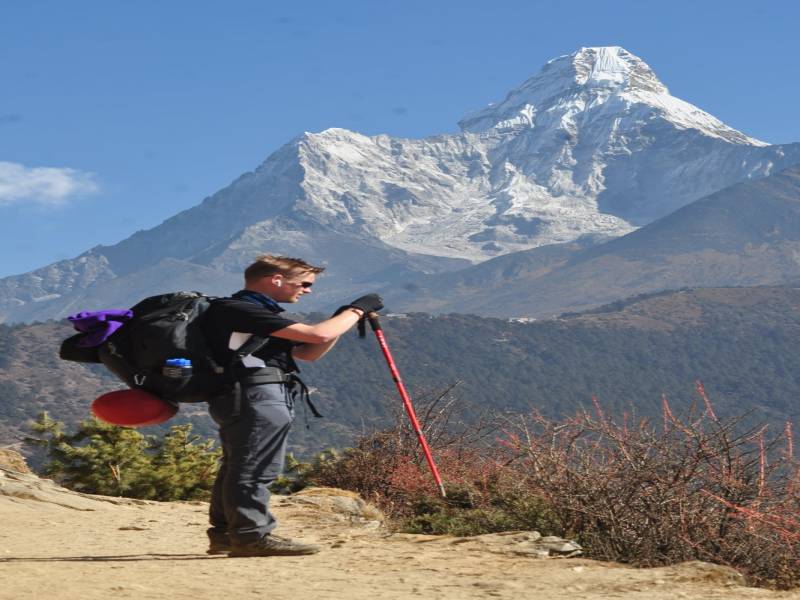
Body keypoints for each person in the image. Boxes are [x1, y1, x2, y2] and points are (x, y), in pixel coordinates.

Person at [201, 254, 383, 557]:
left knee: (239, 463)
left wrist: (341, 319)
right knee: (255, 466)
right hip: (256, 393)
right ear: (276, 280)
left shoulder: (253, 312)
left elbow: (308, 352)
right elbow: (318, 334)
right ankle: (251, 536)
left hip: (244, 393)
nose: (308, 290)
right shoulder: (241, 309)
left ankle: (226, 535)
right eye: (304, 284)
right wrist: (355, 310)